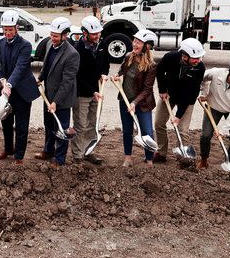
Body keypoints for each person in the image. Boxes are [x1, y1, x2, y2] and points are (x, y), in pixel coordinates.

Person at [0, 10, 40, 164]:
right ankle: (8, 149)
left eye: (10, 30)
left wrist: (9, 84)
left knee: (21, 125)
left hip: (23, 91)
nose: (7, 33)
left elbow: (20, 67)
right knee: (5, 122)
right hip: (6, 90)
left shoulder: (25, 45)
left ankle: (19, 156)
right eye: (5, 30)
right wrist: (2, 80)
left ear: (17, 28)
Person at [34, 17, 80, 166]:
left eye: (55, 35)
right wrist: (40, 78)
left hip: (62, 98)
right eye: (51, 34)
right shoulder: (49, 44)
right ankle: (48, 150)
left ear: (65, 35)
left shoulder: (72, 54)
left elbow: (67, 83)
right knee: (48, 124)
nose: (52, 38)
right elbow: (46, 65)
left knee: (62, 128)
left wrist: (55, 102)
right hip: (49, 94)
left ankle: (59, 159)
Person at [152, 38, 206, 163]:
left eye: (199, 57)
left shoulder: (200, 68)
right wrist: (162, 90)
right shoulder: (170, 57)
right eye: (195, 58)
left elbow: (192, 93)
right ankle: (161, 153)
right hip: (169, 95)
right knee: (159, 123)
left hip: (187, 100)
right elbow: (159, 71)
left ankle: (182, 158)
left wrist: (178, 115)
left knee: (182, 130)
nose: (198, 60)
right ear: (184, 55)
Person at [112, 30, 158, 167]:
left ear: (147, 46)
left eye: (138, 42)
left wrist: (134, 102)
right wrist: (117, 75)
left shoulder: (151, 66)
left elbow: (147, 89)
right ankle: (128, 158)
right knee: (127, 130)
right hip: (125, 100)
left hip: (142, 103)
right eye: (134, 41)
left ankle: (149, 159)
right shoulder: (128, 57)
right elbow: (122, 70)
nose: (134, 44)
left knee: (146, 131)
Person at [71, 16, 110, 164]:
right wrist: (92, 91)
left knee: (93, 123)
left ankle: (88, 151)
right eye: (94, 34)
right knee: (80, 125)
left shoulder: (101, 45)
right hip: (82, 93)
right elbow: (78, 75)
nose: (98, 36)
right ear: (84, 33)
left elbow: (106, 63)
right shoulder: (77, 49)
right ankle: (77, 155)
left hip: (98, 91)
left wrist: (103, 74)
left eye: (99, 33)